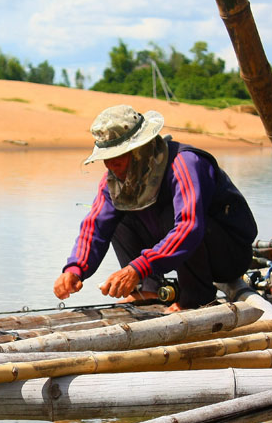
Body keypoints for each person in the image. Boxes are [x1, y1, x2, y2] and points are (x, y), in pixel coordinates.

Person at [53, 104, 257, 310]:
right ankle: (146, 289)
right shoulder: (113, 181)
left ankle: (196, 299)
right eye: (107, 158)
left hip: (228, 256)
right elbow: (96, 226)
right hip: (182, 255)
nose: (111, 164)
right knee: (119, 215)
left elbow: (189, 227)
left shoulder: (185, 163)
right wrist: (75, 267)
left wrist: (138, 267)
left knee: (176, 218)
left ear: (140, 149)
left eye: (119, 155)